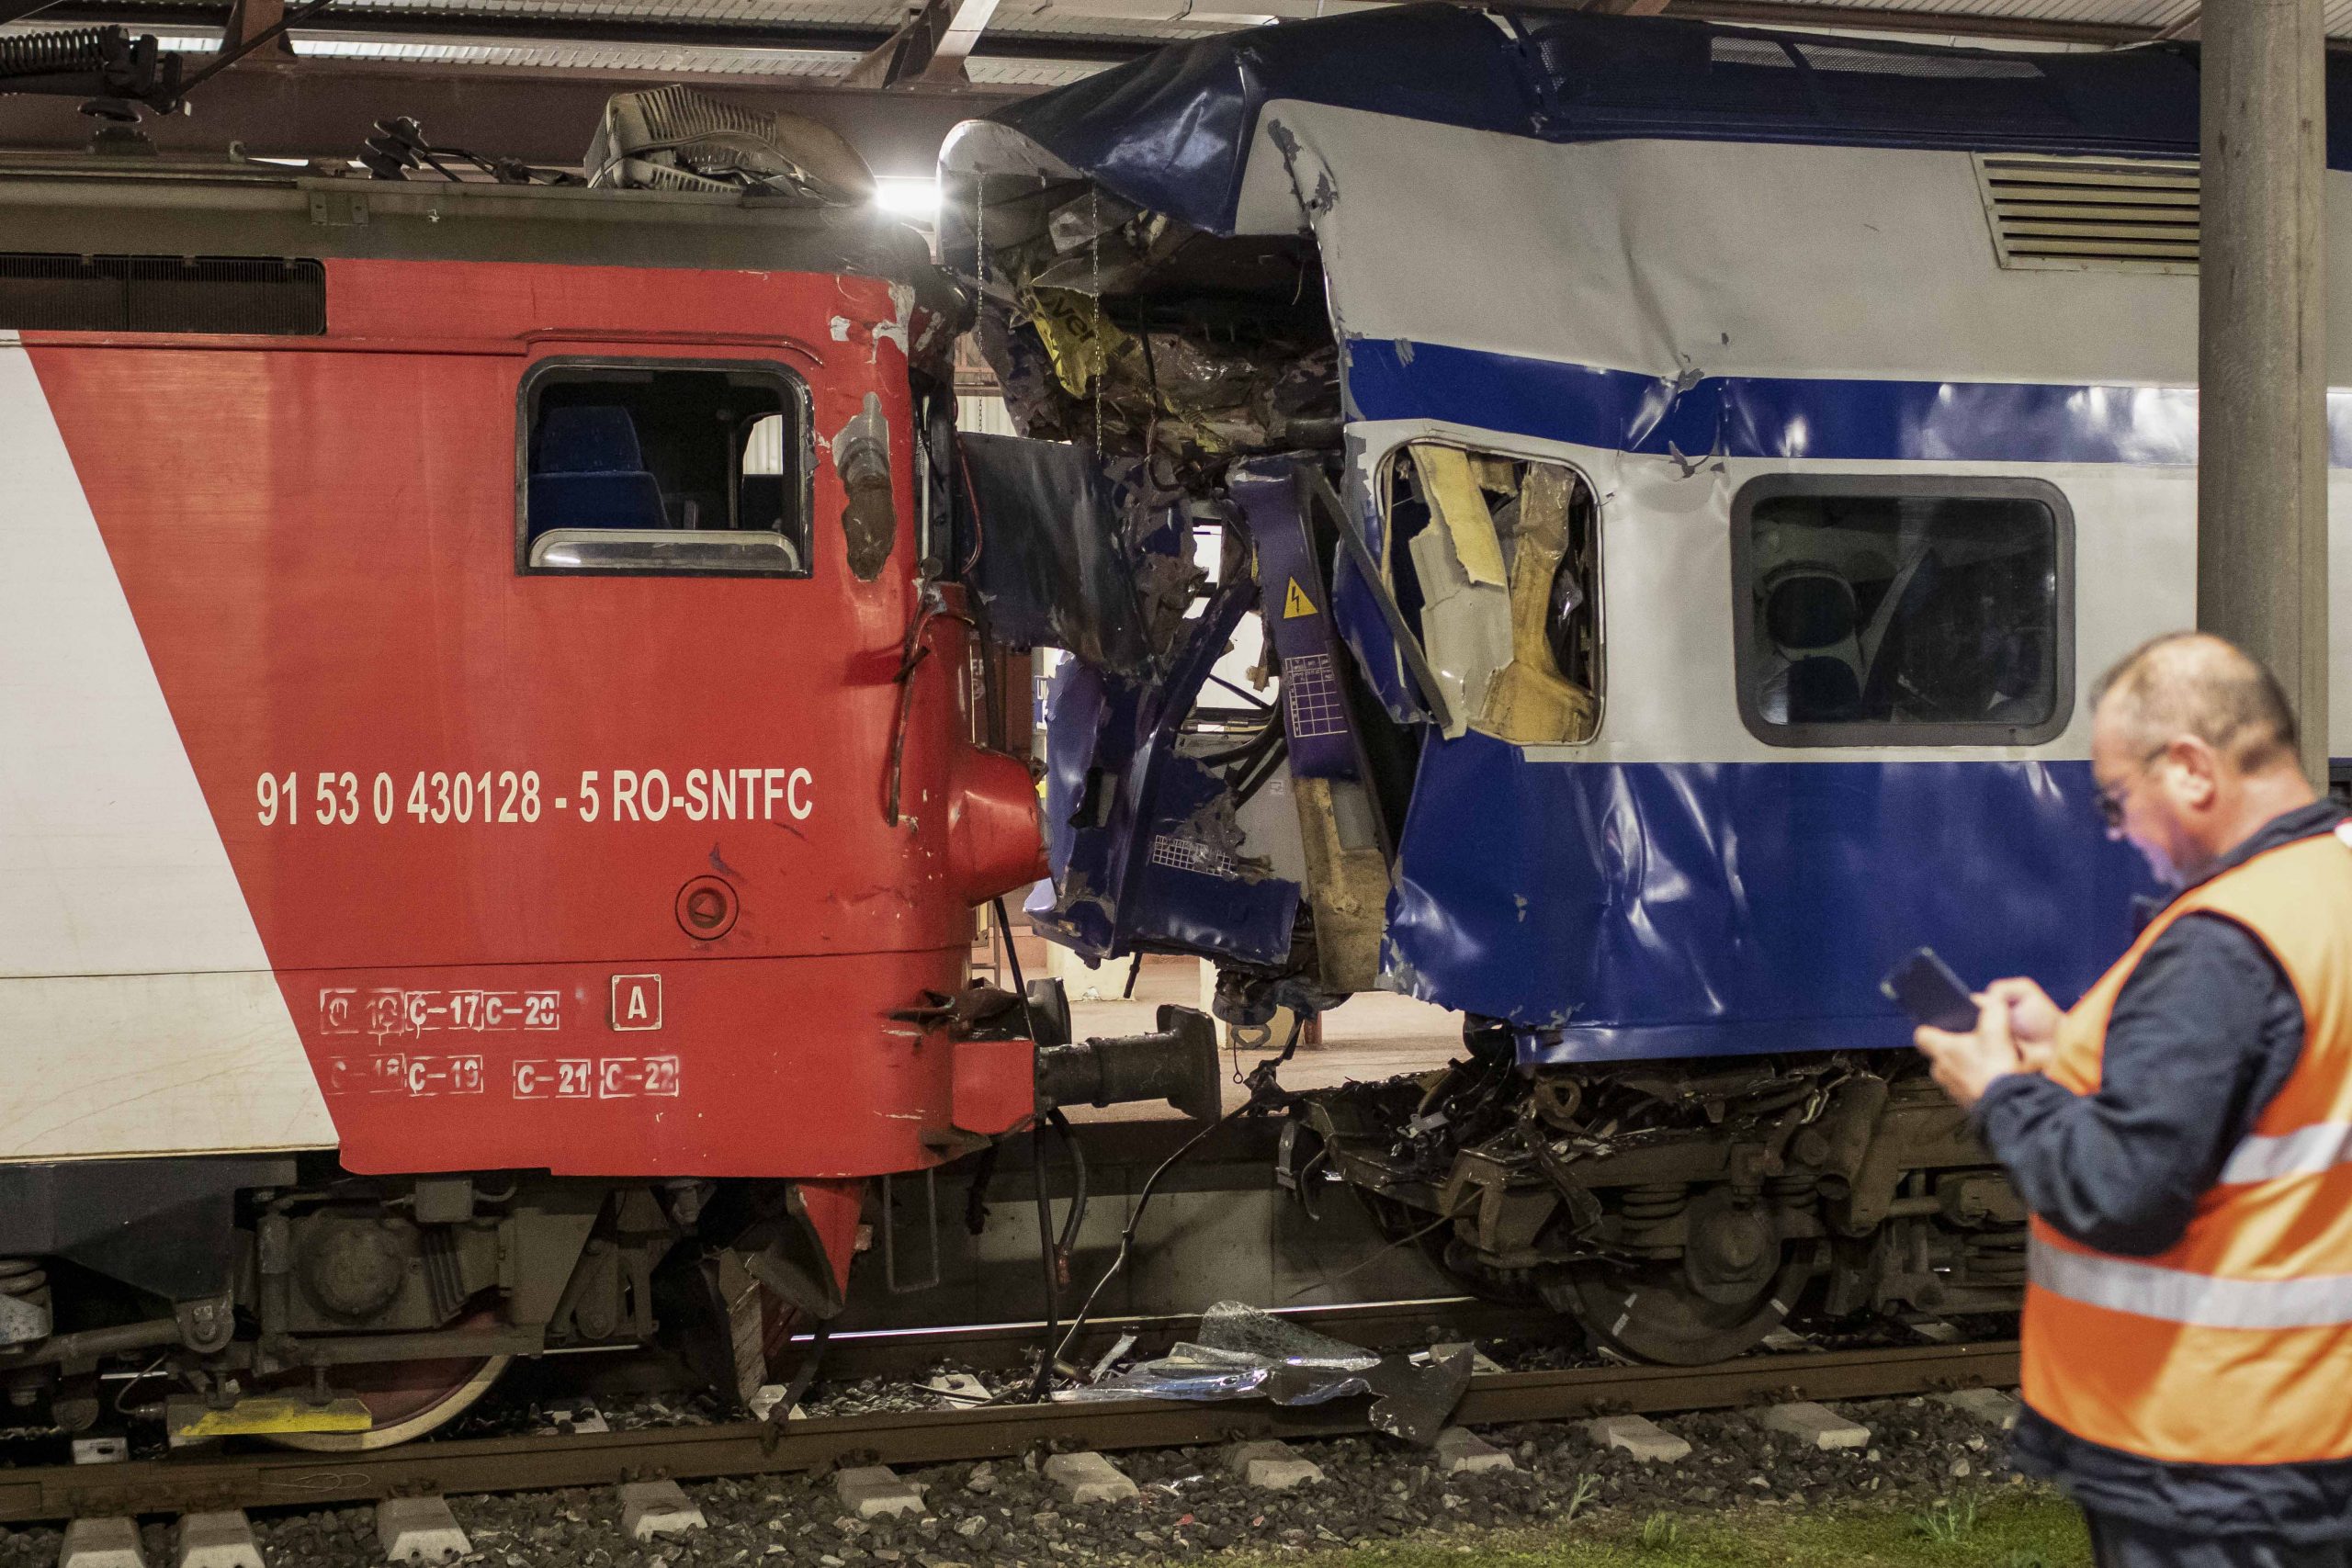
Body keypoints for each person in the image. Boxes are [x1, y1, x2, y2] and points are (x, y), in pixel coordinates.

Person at [1915, 631, 2352, 1568]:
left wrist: (1997, 1092)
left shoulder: (2225, 940)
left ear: (2191, 769)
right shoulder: (2329, 885)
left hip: (2208, 1456)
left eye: (2117, 802)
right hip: (2303, 1426)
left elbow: (2121, 1189)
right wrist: (2073, 1039)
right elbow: (2271, 1095)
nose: (2119, 832)